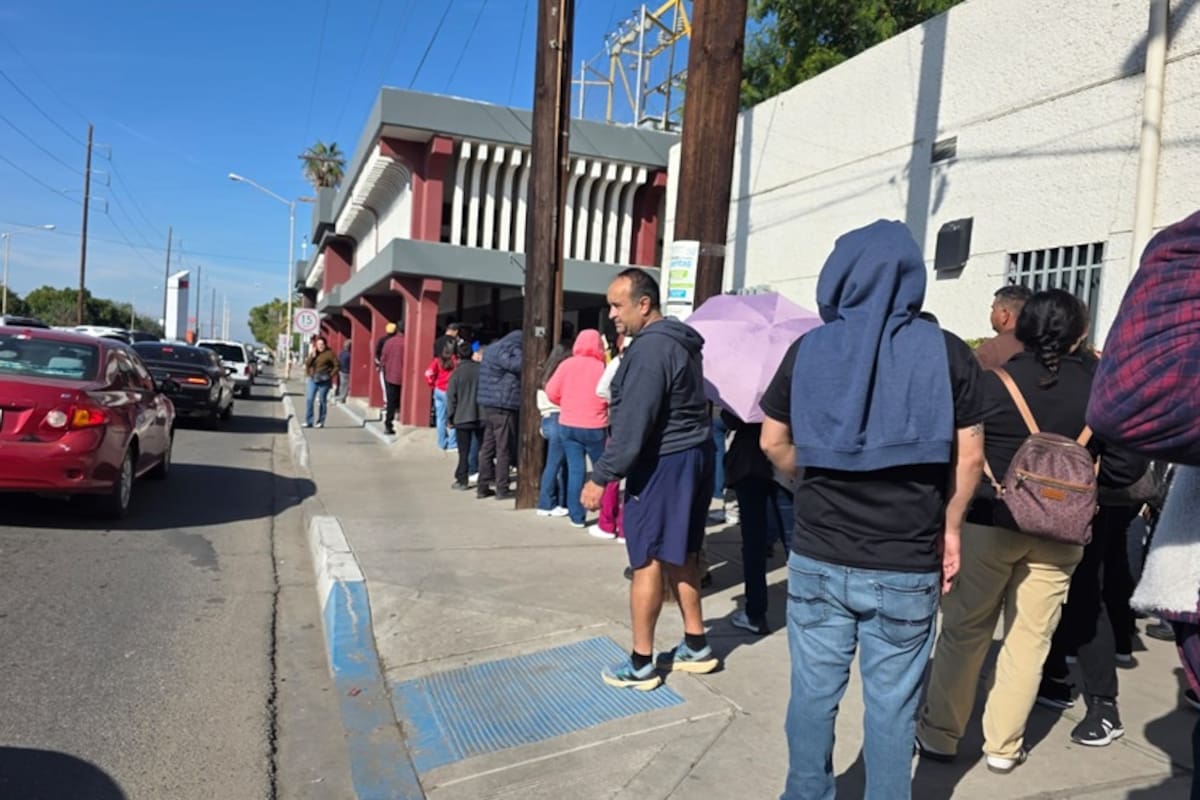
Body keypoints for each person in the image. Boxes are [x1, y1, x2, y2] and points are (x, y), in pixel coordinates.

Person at [758, 220, 987, 799]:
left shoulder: (808, 348)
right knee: (893, 706)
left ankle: (805, 793)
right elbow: (970, 457)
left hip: (817, 553)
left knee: (812, 694)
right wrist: (951, 530)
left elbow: (771, 441)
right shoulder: (948, 352)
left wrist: (805, 479)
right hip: (906, 559)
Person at [916, 290, 1144, 772]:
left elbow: (954, 457)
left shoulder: (992, 383)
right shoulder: (1099, 388)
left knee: (965, 631)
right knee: (1030, 638)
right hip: (1061, 535)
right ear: (1081, 333)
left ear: (1019, 328)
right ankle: (1004, 746)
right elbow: (1125, 468)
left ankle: (940, 736)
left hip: (987, 522)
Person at [581, 268, 716, 690]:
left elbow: (634, 424)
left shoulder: (650, 351)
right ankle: (696, 644)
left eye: (618, 305)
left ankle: (641, 662)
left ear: (644, 304)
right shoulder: (680, 343)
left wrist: (601, 477)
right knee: (683, 553)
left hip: (663, 463)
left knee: (647, 561)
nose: (612, 314)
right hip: (694, 456)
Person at [722, 409, 793, 636]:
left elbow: (730, 419)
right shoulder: (788, 377)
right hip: (785, 465)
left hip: (750, 465)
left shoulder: (746, 384)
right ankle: (808, 610)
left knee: (754, 543)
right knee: (795, 542)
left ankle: (755, 612)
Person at [546, 330, 609, 530]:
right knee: (603, 472)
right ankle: (605, 517)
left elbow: (551, 392)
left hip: (568, 423)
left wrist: (565, 402)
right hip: (595, 425)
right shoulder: (601, 367)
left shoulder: (567, 364)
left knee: (576, 471)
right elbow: (611, 395)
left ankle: (576, 516)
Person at [476, 329, 522, 501]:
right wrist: (521, 350)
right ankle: (502, 488)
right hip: (503, 404)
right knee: (503, 448)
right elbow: (519, 364)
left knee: (488, 446)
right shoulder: (506, 351)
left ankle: (482, 486)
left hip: (488, 404)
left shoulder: (491, 349)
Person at [535, 342, 572, 518]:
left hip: (546, 418)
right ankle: (546, 503)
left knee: (557, 463)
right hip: (559, 417)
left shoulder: (544, 373)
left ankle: (557, 501)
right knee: (555, 464)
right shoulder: (561, 374)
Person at [445, 339, 483, 491]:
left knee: (464, 450)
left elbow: (451, 397)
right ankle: (483, 478)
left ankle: (462, 479)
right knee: (482, 449)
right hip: (480, 415)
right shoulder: (481, 370)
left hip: (461, 417)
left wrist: (450, 417)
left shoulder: (457, 373)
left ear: (458, 356)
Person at [975, 285, 1033, 370]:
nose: (991, 314)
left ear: (1004, 315)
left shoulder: (990, 351)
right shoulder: (1044, 344)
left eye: (993, 310)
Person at [425, 339, 459, 452]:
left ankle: (441, 443)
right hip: (450, 392)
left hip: (438, 390)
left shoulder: (437, 360)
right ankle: (452, 444)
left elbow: (428, 373)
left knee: (440, 418)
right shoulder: (456, 362)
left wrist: (432, 385)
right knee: (453, 418)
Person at [304, 336, 339, 429]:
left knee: (322, 400)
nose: (320, 346)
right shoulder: (314, 353)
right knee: (309, 399)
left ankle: (320, 421)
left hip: (324, 380)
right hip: (313, 378)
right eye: (319, 344)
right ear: (316, 345)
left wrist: (330, 375)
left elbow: (336, 366)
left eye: (322, 344)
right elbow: (307, 364)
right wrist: (312, 356)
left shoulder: (330, 354)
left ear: (325, 344)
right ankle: (309, 421)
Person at [379, 323, 406, 435]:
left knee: (391, 401)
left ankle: (388, 424)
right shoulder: (407, 342)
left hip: (390, 375)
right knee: (403, 399)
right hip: (404, 376)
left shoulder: (389, 342)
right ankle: (402, 417)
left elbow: (383, 359)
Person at [375, 321, 397, 410]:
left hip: (384, 366)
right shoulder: (396, 340)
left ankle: (386, 403)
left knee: (385, 385)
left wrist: (377, 365)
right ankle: (393, 404)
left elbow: (377, 353)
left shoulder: (382, 340)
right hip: (395, 366)